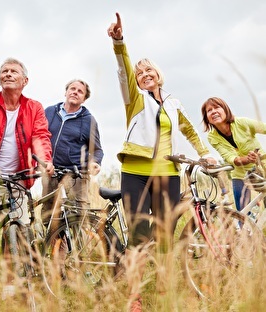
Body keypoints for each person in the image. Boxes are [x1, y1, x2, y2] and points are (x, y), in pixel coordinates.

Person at [107, 12, 215, 311]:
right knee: (141, 233)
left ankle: (165, 286)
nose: (144, 75)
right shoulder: (135, 100)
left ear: (158, 73)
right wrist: (119, 43)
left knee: (165, 235)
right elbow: (123, 72)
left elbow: (191, 130)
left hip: (168, 172)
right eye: (140, 73)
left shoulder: (174, 102)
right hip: (136, 172)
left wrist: (203, 152)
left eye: (148, 70)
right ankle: (134, 296)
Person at [0, 57, 54, 308]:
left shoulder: (34, 107)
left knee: (16, 236)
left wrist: (44, 160)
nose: (8, 74)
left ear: (25, 80)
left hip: (19, 180)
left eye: (13, 71)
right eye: (4, 71)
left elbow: (40, 136)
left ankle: (9, 292)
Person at [42, 79, 104, 224]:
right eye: (72, 88)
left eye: (80, 91)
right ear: (66, 92)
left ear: (84, 99)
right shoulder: (50, 112)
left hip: (76, 174)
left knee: (77, 216)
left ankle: (74, 246)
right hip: (51, 171)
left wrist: (95, 162)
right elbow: (40, 137)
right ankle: (52, 245)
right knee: (49, 215)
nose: (75, 92)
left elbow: (97, 150)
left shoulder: (89, 120)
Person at [201, 96, 266, 211]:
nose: (214, 111)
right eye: (209, 110)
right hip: (240, 174)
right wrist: (247, 159)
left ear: (225, 110)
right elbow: (231, 158)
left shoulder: (242, 122)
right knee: (243, 213)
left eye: (217, 107)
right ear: (207, 118)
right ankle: (246, 227)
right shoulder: (212, 137)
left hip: (262, 168)